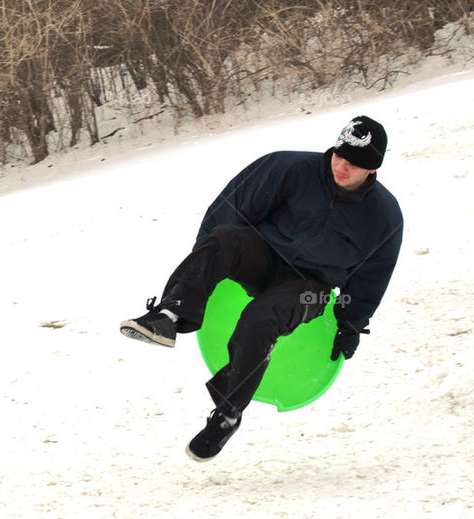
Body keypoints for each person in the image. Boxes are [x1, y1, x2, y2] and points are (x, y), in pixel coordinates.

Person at [120, 116, 403, 461]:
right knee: (225, 238)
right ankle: (169, 314)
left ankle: (226, 415)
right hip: (264, 255)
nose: (342, 166)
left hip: (309, 286)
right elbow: (229, 211)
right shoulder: (289, 168)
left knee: (260, 318)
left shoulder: (383, 217)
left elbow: (372, 276)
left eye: (355, 163)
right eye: (340, 156)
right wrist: (207, 262)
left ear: (372, 170)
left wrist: (351, 324)